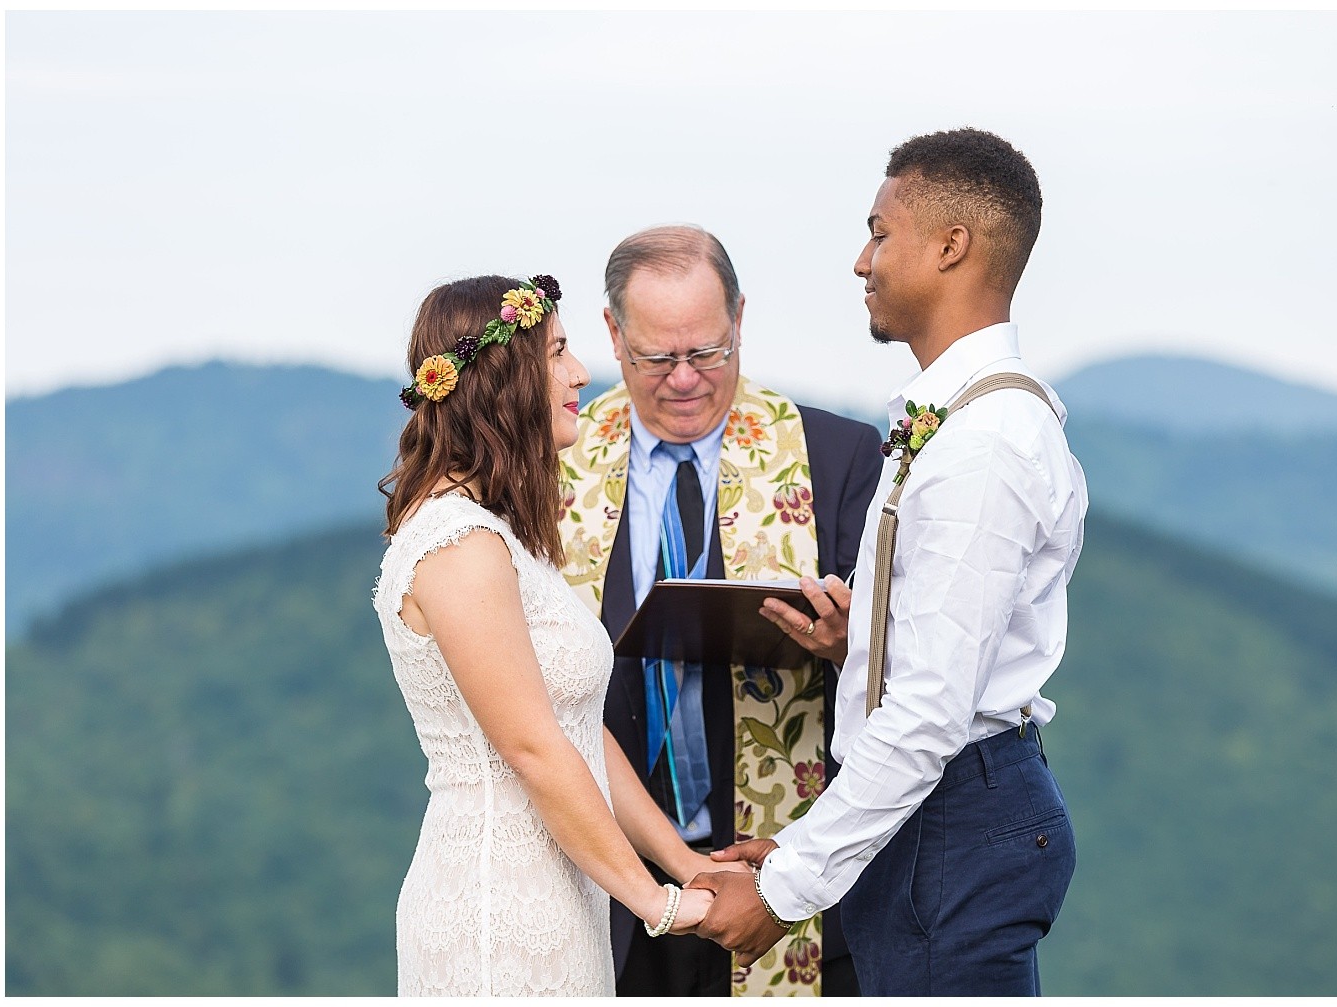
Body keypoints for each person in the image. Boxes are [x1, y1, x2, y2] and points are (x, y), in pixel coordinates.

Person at [689, 128, 1088, 996]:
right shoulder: (955, 420)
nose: (860, 260)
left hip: (956, 814)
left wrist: (785, 886)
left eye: (879, 231)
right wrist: (856, 642)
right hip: (927, 812)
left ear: (951, 245)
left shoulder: (984, 444)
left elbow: (934, 710)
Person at [372, 273, 727, 996]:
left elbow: (576, 730)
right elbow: (533, 749)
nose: (581, 373)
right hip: (494, 910)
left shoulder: (505, 536)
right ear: (504, 377)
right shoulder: (458, 543)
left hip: (561, 897)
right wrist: (656, 903)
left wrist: (688, 863)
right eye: (559, 352)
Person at [559, 226, 884, 995]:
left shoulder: (836, 457)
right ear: (612, 333)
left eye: (706, 353)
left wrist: (848, 644)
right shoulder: (553, 464)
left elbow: (911, 669)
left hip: (784, 877)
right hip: (606, 883)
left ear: (739, 318)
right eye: (655, 358)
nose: (683, 380)